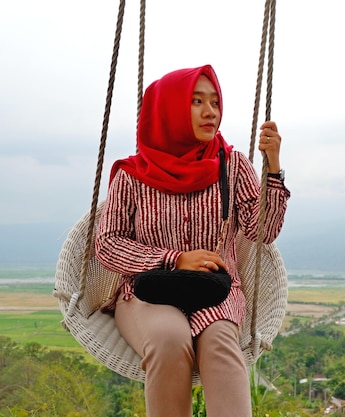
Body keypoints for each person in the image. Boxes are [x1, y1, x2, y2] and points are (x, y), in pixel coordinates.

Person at [95, 64, 289, 417]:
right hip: (146, 293)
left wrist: (272, 168)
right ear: (169, 109)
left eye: (214, 101)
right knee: (169, 339)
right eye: (196, 101)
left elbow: (262, 231)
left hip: (214, 293)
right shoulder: (132, 174)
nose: (210, 111)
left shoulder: (232, 165)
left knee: (219, 346)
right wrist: (174, 259)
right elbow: (107, 243)